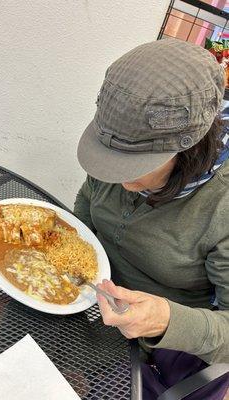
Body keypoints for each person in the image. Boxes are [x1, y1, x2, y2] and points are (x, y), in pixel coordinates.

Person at [74, 39, 229, 399]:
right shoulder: (119, 137)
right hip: (84, 303)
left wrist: (165, 319)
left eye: (137, 166)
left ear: (191, 150)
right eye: (112, 160)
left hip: (154, 346)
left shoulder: (221, 205)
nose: (122, 181)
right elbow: (87, 204)